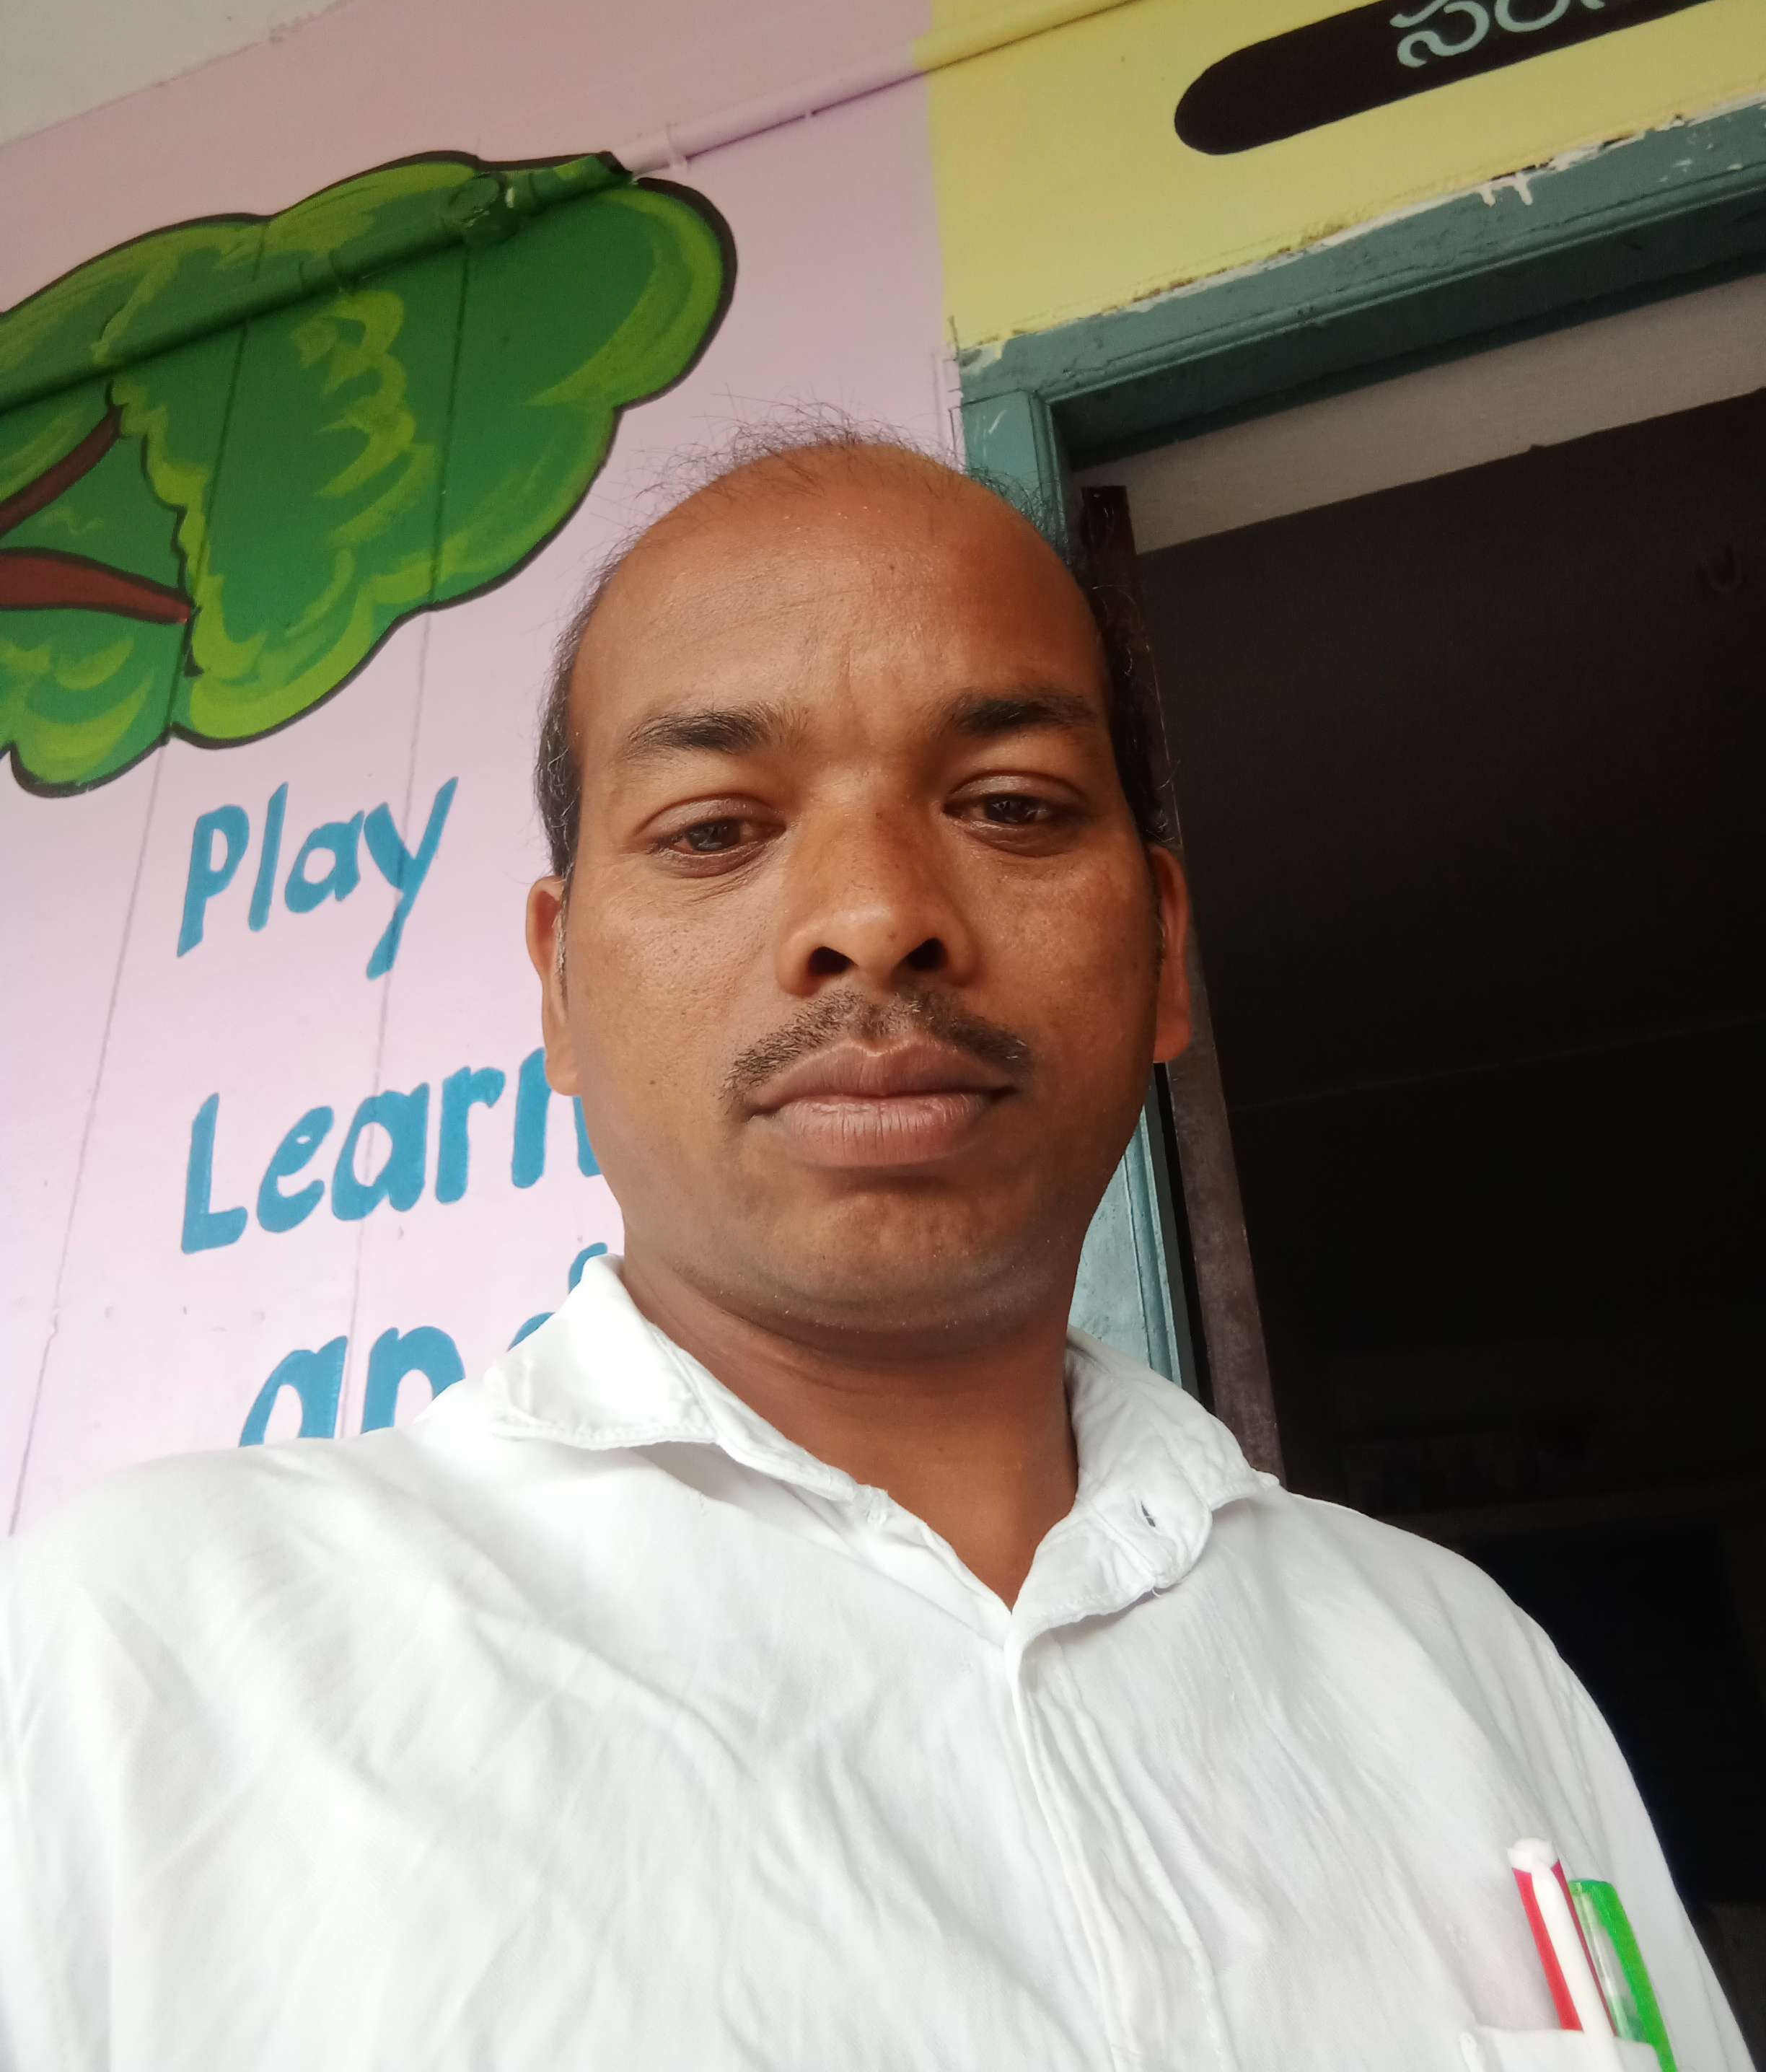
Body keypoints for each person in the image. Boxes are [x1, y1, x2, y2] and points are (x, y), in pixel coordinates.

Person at [0, 430, 1749, 2071]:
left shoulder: (1457, 1663)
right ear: (560, 984)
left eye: (1012, 804)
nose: (873, 918)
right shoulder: (145, 1659)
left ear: (1162, 949)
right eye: (715, 829)